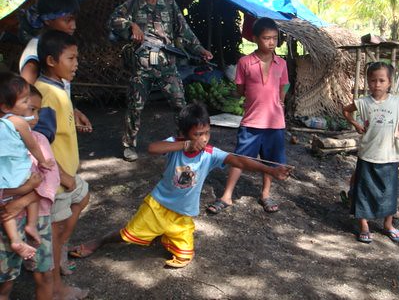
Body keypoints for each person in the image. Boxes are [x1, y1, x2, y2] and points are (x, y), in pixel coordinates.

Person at [68, 102, 290, 268]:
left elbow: (239, 160)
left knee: (183, 258)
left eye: (206, 133)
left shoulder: (210, 154)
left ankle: (165, 235)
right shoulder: (176, 144)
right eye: (197, 134)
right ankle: (97, 242)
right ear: (183, 134)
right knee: (128, 234)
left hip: (183, 215)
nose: (203, 139)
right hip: (158, 206)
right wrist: (184, 144)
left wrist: (270, 170)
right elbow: (153, 148)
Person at [109, 0, 213, 162]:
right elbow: (113, 21)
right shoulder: (131, 6)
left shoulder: (169, 3)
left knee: (180, 105)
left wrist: (200, 50)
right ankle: (129, 145)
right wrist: (131, 25)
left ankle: (184, 142)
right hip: (142, 67)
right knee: (135, 106)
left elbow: (185, 31)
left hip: (167, 66)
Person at [206, 17, 289, 214]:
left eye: (274, 38)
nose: (271, 42)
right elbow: (240, 89)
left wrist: (281, 99)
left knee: (271, 161)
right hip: (252, 120)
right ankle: (227, 196)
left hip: (275, 123)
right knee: (239, 158)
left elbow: (284, 84)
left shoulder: (282, 63)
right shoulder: (245, 62)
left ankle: (265, 195)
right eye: (266, 38)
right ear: (255, 38)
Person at [34, 30, 89, 299]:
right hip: (55, 181)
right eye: (71, 58)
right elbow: (39, 144)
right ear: (52, 61)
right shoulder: (47, 94)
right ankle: (55, 289)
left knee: (84, 195)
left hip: (64, 176)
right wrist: (63, 175)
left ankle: (60, 245)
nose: (76, 63)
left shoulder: (58, 88)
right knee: (54, 234)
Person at [343, 61, 399, 244]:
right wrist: (356, 124)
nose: (377, 84)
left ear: (390, 82)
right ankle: (363, 225)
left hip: (390, 155)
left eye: (381, 80)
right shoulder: (363, 102)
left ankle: (388, 224)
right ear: (367, 81)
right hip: (368, 154)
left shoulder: (396, 102)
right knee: (363, 190)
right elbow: (346, 111)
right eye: (373, 80)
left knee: (389, 191)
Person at [18, 0, 92, 134]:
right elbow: (22, 96)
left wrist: (72, 110)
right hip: (44, 133)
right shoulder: (35, 51)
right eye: (67, 20)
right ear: (47, 20)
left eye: (74, 19)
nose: (73, 26)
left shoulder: (58, 48)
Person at [0, 72, 54, 260]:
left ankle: (16, 239)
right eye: (28, 106)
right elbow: (32, 146)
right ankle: (29, 227)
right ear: (6, 106)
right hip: (18, 177)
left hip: (5, 184)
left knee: (7, 209)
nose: (36, 116)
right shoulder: (19, 123)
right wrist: (43, 161)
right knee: (32, 188)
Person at [23, 84, 61, 300]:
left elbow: (51, 178)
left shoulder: (40, 141)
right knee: (5, 282)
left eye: (38, 110)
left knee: (44, 274)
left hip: (39, 219)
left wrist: (22, 200)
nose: (37, 117)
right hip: (7, 219)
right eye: (31, 110)